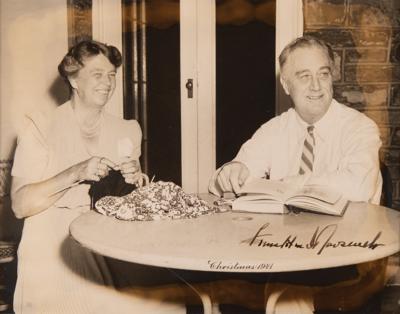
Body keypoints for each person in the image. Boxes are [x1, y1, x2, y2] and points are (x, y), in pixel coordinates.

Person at [209, 35, 386, 312]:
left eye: (323, 74)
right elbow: (234, 173)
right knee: (225, 284)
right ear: (286, 84)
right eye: (304, 76)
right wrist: (232, 171)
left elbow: (358, 185)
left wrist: (288, 184)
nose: (316, 86)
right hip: (284, 250)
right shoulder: (274, 130)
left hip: (348, 254)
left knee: (288, 297)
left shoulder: (359, 128)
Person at [10, 40, 185, 313]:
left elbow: (127, 201)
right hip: (53, 241)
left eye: (112, 75)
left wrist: (136, 182)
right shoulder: (39, 127)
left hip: (106, 237)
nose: (108, 82)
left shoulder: (126, 129)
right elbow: (20, 205)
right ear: (74, 79)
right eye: (97, 74)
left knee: (166, 305)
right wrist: (76, 173)